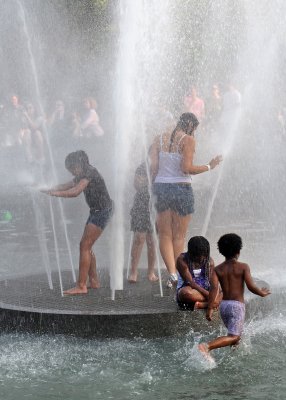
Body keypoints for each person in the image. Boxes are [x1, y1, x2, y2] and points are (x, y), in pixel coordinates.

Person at [149, 112, 222, 288]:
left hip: (162, 187)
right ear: (190, 126)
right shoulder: (188, 140)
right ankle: (180, 275)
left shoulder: (159, 138)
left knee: (165, 234)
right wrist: (209, 166)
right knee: (179, 236)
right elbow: (186, 168)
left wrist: (155, 187)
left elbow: (153, 167)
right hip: (181, 189)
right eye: (195, 129)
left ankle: (173, 274)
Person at [41, 150, 113, 295]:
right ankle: (94, 281)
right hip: (98, 211)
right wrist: (49, 189)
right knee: (87, 245)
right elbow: (67, 185)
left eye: (72, 169)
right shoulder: (84, 173)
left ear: (79, 164)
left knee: (84, 246)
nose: (72, 173)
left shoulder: (90, 173)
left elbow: (75, 192)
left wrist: (55, 194)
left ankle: (81, 286)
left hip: (102, 211)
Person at [198, 233, 271, 359]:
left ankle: (233, 358)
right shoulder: (243, 267)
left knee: (235, 335)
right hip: (237, 307)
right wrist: (261, 293)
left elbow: (214, 289)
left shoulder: (217, 269)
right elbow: (251, 286)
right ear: (238, 251)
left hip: (224, 306)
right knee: (234, 336)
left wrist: (210, 309)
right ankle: (207, 346)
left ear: (221, 251)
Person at [128, 161, 158, 283]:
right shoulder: (143, 166)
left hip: (156, 205)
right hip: (141, 204)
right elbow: (136, 185)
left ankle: (151, 271)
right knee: (139, 238)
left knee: (152, 240)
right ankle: (133, 271)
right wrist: (149, 178)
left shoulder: (163, 168)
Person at [176, 236, 221, 310]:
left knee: (227, 287)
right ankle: (214, 302)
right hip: (191, 289)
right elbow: (191, 283)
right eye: (198, 256)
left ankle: (204, 305)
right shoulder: (182, 260)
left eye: (204, 255)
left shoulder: (210, 261)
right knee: (185, 293)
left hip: (206, 290)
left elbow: (213, 282)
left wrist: (215, 292)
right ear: (191, 253)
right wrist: (211, 296)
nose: (202, 258)